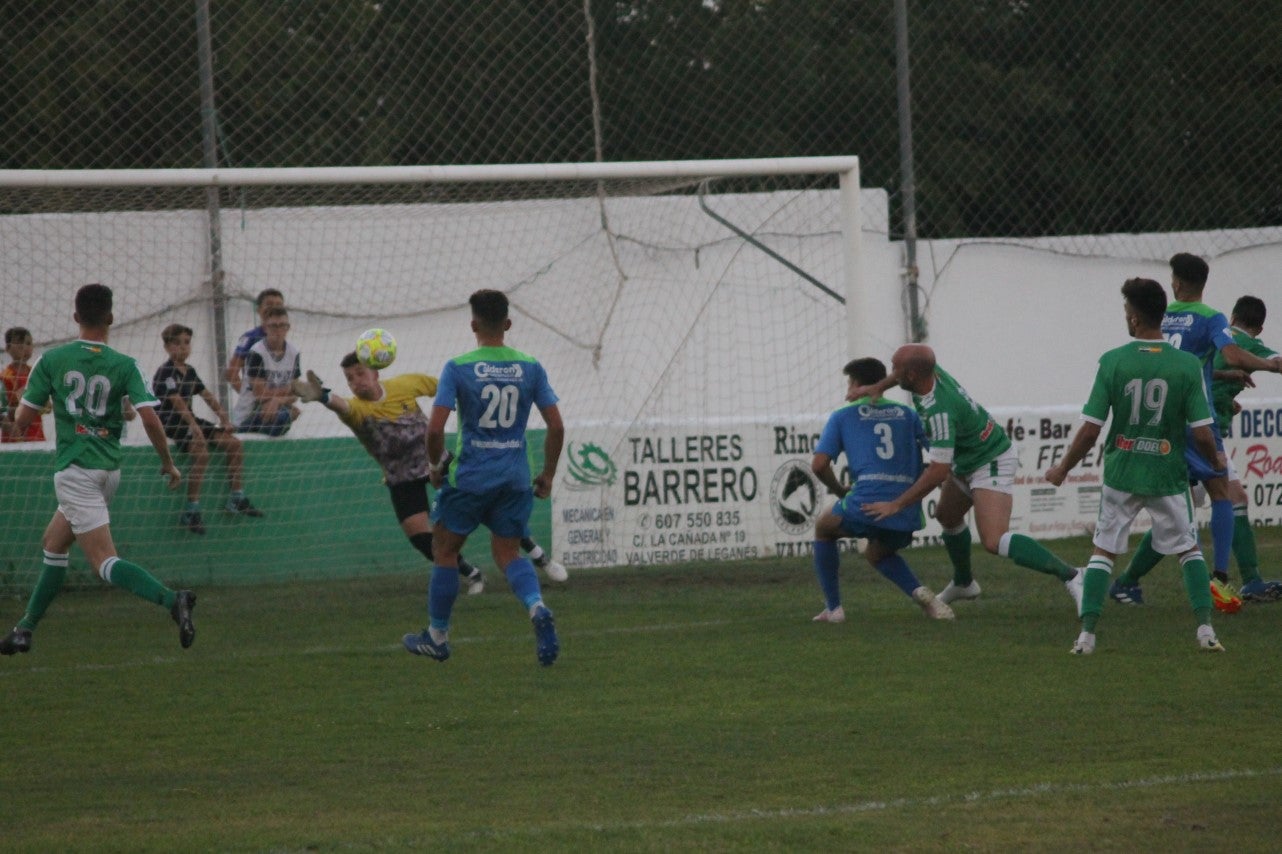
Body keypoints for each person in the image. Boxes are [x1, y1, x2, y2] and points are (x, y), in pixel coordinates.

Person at [0, 284, 196, 658]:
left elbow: (21, 422)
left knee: (104, 562)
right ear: (111, 318)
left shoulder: (51, 360)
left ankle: (174, 600)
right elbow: (150, 418)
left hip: (75, 472)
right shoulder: (126, 364)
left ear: (76, 316)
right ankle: (24, 629)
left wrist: (18, 412)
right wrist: (167, 463)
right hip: (108, 473)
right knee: (53, 543)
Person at [1046, 277, 1225, 654]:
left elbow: (1090, 431)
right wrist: (1216, 461)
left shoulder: (1113, 361)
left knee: (1103, 551)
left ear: (1134, 318)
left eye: (1126, 311)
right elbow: (1203, 432)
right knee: (1188, 549)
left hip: (1122, 473)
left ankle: (1086, 636)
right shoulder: (1187, 365)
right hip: (1167, 474)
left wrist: (1062, 469)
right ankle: (1206, 631)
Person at [1108, 255, 1282, 610]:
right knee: (1221, 494)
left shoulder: (1161, 315)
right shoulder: (1210, 317)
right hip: (1195, 421)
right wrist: (1268, 365)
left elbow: (1181, 363)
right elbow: (1232, 354)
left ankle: (1130, 581)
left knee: (1179, 509)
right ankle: (1218, 577)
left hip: (1159, 420)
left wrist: (1222, 377)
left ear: (1176, 283)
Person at [853, 343, 1084, 611]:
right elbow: (908, 368)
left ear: (912, 375)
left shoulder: (939, 411)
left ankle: (1073, 574)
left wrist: (897, 504)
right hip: (967, 459)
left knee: (994, 540)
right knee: (947, 516)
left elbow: (938, 471)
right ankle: (964, 583)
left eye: (895, 369)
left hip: (991, 459)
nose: (892, 373)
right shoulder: (931, 373)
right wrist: (879, 387)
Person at [402, 289, 564, 666]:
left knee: (445, 550)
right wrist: (548, 474)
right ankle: (537, 607)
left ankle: (437, 637)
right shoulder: (531, 367)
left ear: (473, 325)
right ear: (508, 324)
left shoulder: (458, 367)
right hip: (515, 478)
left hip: (470, 478)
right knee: (508, 553)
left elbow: (434, 429)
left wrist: (435, 466)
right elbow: (556, 426)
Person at [292, 352, 493, 594]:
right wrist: (323, 397)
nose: (356, 381)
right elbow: (342, 406)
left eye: (360, 373)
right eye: (349, 378)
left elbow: (445, 388)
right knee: (421, 539)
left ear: (375, 373)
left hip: (436, 461)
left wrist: (475, 402)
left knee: (487, 503)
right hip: (401, 477)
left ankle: (532, 552)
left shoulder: (404, 385)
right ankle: (472, 573)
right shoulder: (359, 410)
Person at [810, 357, 954, 623]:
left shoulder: (843, 415)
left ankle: (834, 609)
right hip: (905, 509)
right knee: (877, 553)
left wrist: (840, 490)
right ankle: (921, 594)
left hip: (865, 503)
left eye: (849, 383)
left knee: (824, 528)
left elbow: (819, 465)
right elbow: (939, 455)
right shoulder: (908, 414)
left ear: (856, 383)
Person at [1202, 296, 1282, 602]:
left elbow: (1201, 373)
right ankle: (1127, 581)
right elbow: (1277, 362)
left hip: (1202, 430)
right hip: (1201, 436)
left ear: (1233, 316)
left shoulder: (1216, 337)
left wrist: (1225, 399)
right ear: (1259, 328)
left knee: (1235, 498)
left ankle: (1252, 581)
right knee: (1173, 517)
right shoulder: (1249, 344)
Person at [154, 323, 262, 534]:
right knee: (201, 454)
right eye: (177, 343)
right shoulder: (166, 372)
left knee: (234, 445)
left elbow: (207, 396)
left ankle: (237, 496)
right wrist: (194, 426)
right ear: (166, 347)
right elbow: (177, 403)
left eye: (187, 342)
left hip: (190, 420)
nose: (183, 347)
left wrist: (224, 418)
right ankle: (191, 509)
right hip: (172, 423)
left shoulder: (190, 371)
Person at [232, 305, 301, 435]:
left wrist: (278, 400)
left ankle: (285, 415)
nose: (278, 330)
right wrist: (287, 392)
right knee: (282, 418)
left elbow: (296, 394)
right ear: (265, 328)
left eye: (282, 326)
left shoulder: (294, 353)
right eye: (274, 326)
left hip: (276, 410)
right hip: (249, 415)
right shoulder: (257, 352)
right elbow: (260, 394)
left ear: (288, 328)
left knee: (282, 419)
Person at [227, 288, 285, 393]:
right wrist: (248, 397)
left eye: (279, 305)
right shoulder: (251, 338)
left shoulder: (284, 340)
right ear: (258, 309)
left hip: (279, 399)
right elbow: (231, 374)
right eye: (269, 304)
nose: (274, 309)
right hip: (258, 401)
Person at [3, 326, 47, 442]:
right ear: (7, 348)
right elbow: (4, 409)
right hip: (15, 437)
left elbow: (47, 406)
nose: (24, 347)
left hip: (37, 435)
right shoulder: (5, 377)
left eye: (28, 343)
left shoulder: (36, 373)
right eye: (19, 343)